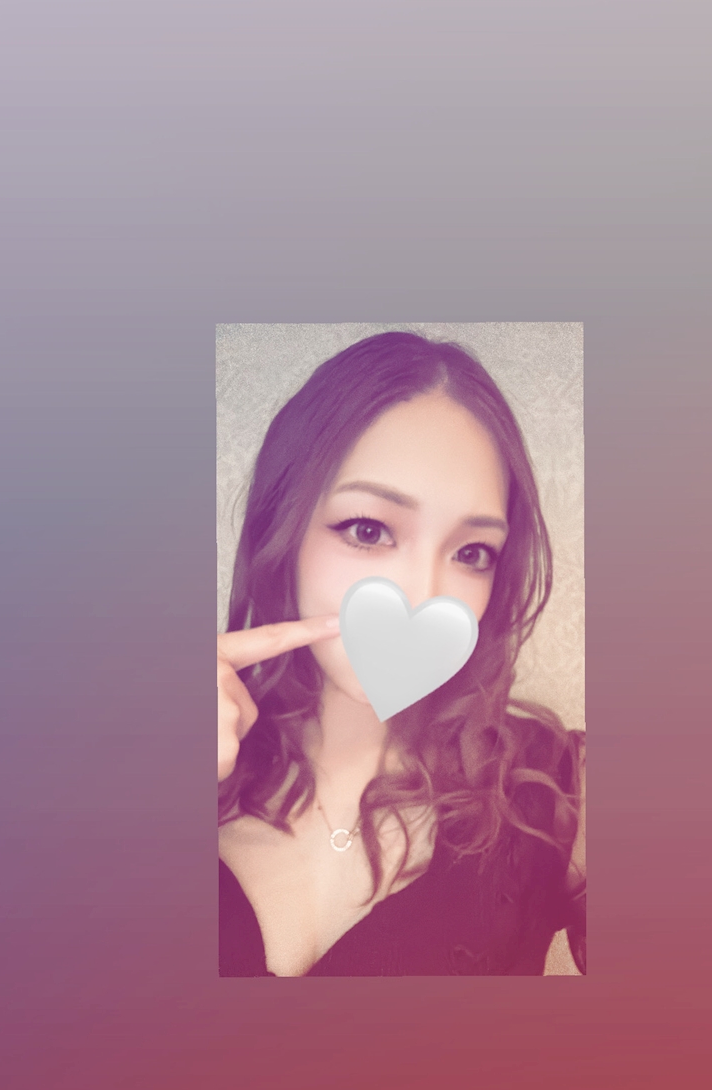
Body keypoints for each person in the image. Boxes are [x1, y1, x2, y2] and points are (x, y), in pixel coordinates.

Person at [217, 330, 585, 977]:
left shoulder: (557, 789)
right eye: (368, 530)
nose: (424, 595)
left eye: (472, 552)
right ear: (284, 531)